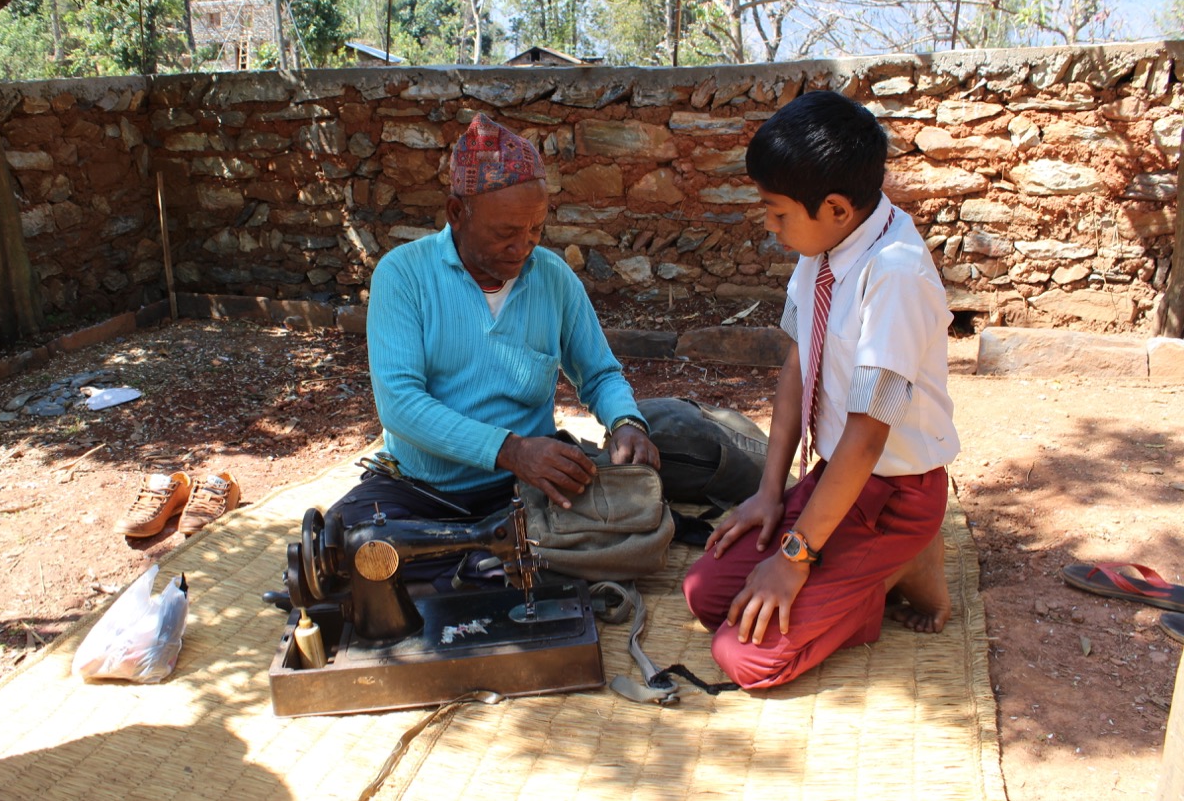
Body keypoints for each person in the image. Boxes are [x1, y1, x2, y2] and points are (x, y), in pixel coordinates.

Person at [682, 91, 960, 689]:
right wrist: (769, 493)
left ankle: (903, 561)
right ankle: (856, 568)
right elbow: (796, 365)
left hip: (894, 496)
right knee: (704, 594)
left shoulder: (897, 275)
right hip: (836, 479)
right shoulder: (824, 248)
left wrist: (795, 558)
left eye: (777, 213)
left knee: (747, 658)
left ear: (834, 206)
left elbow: (866, 437)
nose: (768, 224)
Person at [331, 113, 659, 585]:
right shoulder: (402, 275)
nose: (523, 247)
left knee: (632, 533)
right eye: (505, 232)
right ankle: (496, 564)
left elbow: (601, 375)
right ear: (456, 213)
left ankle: (484, 563)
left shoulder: (553, 278)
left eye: (535, 230)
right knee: (340, 549)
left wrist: (626, 423)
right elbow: (400, 406)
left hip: (528, 490)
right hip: (422, 490)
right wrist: (510, 449)